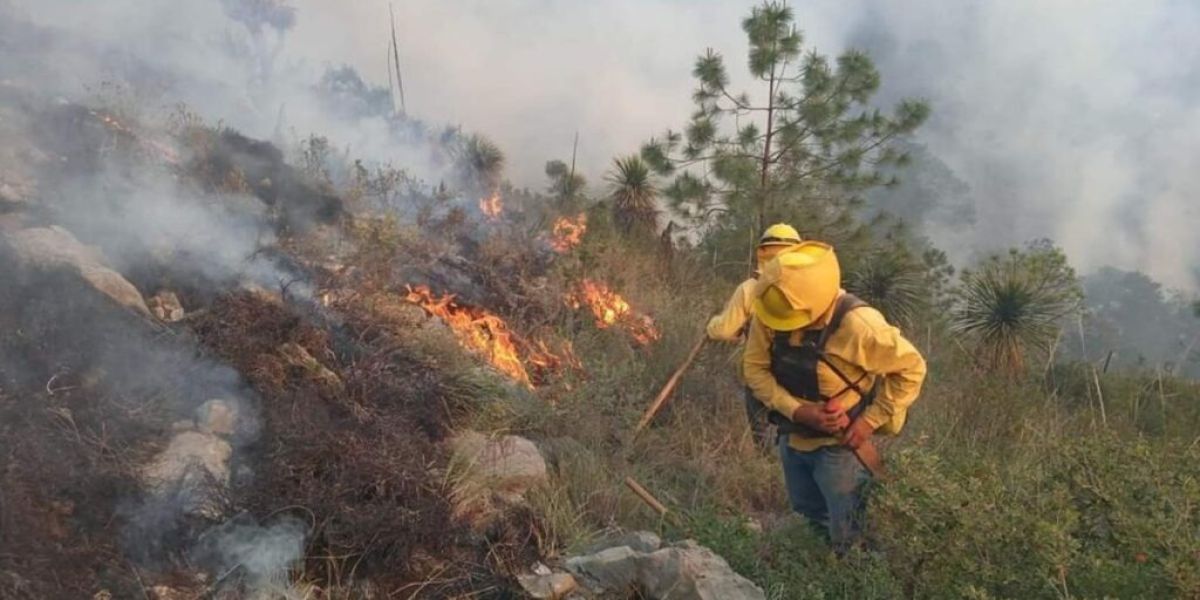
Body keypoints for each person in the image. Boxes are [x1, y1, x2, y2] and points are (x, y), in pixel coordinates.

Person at [743, 241, 926, 549]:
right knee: (808, 520)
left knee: (850, 534)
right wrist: (797, 411)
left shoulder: (860, 326)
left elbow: (912, 369)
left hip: (840, 450)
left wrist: (869, 422)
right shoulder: (772, 311)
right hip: (792, 438)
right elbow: (754, 369)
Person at [706, 223, 803, 448]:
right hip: (803, 377)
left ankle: (768, 467)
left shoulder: (751, 289)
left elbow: (723, 330)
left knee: (764, 435)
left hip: (761, 375)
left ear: (763, 252)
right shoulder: (815, 290)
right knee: (798, 436)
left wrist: (711, 324)